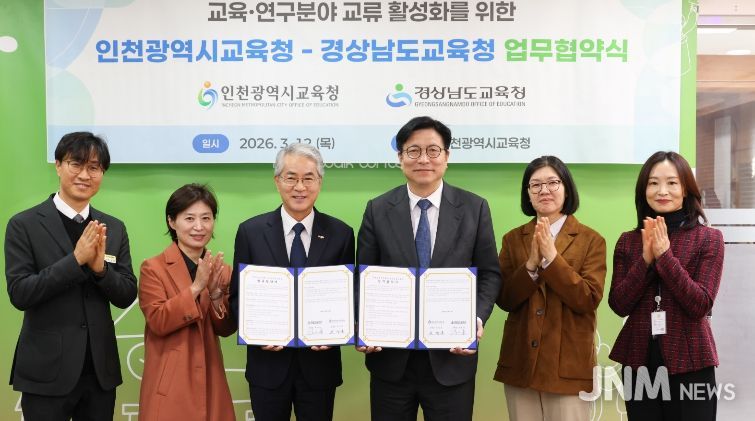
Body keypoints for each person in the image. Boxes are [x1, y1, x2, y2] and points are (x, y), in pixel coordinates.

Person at [356, 116, 501, 421]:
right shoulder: (378, 209)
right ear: (400, 157)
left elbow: (489, 273)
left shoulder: (474, 208)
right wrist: (363, 324)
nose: (423, 159)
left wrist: (474, 319)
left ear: (447, 156)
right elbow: (363, 277)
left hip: (452, 360)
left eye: (433, 150)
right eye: (413, 151)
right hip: (391, 361)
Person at [4, 132, 137, 420]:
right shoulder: (24, 224)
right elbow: (20, 293)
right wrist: (75, 261)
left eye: (94, 167)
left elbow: (127, 293)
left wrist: (100, 270)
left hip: (99, 372)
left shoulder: (113, 227)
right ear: (58, 165)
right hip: (45, 370)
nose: (85, 175)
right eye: (75, 164)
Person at [229, 143, 355, 421]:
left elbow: (348, 297)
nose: (300, 187)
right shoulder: (251, 232)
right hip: (267, 367)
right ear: (277, 181)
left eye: (308, 178)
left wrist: (336, 332)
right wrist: (255, 332)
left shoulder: (341, 234)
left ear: (320, 182)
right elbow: (237, 296)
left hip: (319, 367)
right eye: (291, 178)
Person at [609, 151, 723, 421]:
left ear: (686, 189)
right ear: (643, 190)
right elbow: (619, 304)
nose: (662, 191)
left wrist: (664, 256)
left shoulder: (709, 238)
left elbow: (700, 304)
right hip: (638, 362)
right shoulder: (627, 241)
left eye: (672, 183)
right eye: (653, 183)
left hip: (691, 361)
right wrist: (646, 261)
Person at [494, 156, 606, 420]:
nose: (544, 190)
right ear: (528, 193)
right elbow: (504, 299)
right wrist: (531, 265)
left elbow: (587, 299)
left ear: (566, 188)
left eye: (553, 182)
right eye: (535, 185)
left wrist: (552, 259)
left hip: (569, 368)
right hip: (521, 365)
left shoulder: (591, 240)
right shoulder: (513, 239)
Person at [138, 184, 235, 420]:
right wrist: (196, 288)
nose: (199, 227)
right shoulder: (153, 268)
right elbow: (158, 321)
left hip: (211, 381)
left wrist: (215, 295)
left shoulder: (222, 270)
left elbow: (226, 329)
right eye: (189, 218)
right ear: (172, 222)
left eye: (206, 218)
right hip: (170, 386)